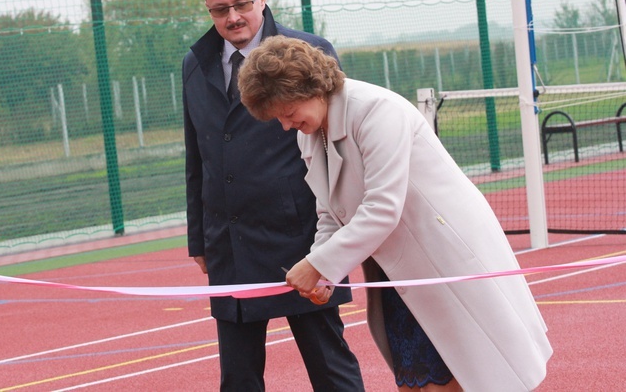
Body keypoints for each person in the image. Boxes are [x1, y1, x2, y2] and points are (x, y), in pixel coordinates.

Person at [237, 35, 553, 392]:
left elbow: (383, 208)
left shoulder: (375, 109)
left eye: (288, 112)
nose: (284, 125)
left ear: (309, 88)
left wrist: (319, 266)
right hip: (397, 273)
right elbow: (329, 211)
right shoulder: (308, 134)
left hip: (444, 264)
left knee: (467, 378)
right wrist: (324, 270)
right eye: (277, 117)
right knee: (413, 383)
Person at [182, 0, 365, 391]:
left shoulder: (311, 52)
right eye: (219, 9)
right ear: (208, 9)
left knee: (329, 365)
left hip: (302, 234)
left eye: (241, 4)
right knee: (239, 376)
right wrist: (199, 237)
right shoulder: (194, 63)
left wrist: (338, 235)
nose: (233, 17)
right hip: (229, 241)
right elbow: (197, 156)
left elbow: (336, 145)